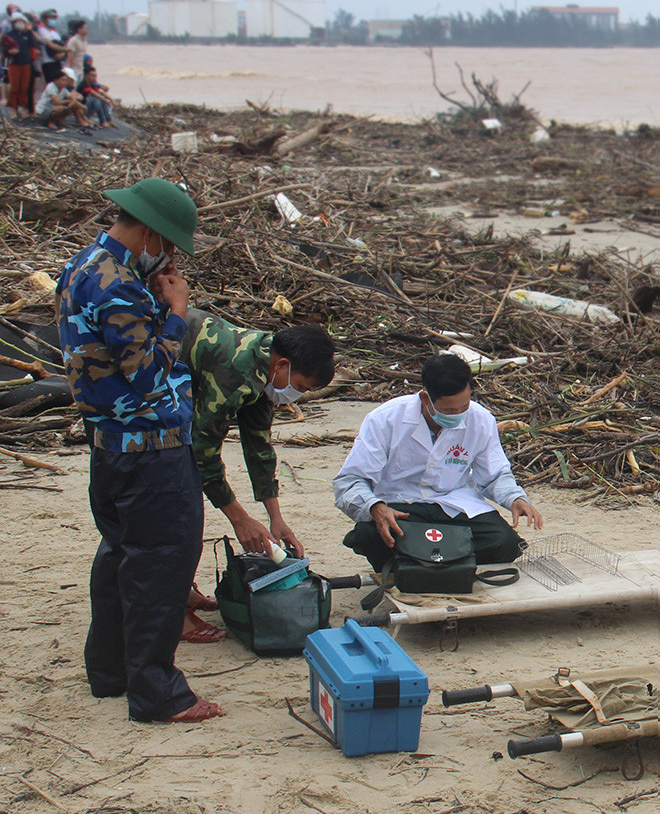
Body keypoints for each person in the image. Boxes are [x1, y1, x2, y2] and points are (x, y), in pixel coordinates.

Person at [56, 178, 221, 723]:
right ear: (149, 232)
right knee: (161, 566)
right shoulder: (119, 285)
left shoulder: (82, 266)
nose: (168, 257)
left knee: (120, 557)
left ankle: (110, 671)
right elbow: (148, 374)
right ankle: (157, 694)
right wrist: (175, 310)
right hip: (149, 448)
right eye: (167, 245)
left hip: (110, 446)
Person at [334, 353, 543, 572]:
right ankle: (432, 565)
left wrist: (515, 499)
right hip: (401, 508)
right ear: (425, 398)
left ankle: (418, 565)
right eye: (449, 411)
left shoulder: (481, 419)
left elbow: (494, 474)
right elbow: (350, 481)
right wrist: (375, 507)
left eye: (464, 407)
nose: (459, 416)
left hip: (453, 506)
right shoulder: (384, 419)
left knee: (505, 542)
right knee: (368, 535)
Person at [181, 310, 335, 559]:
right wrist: (240, 520)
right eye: (300, 387)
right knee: (179, 497)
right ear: (284, 365)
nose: (296, 396)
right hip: (140, 372)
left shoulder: (269, 363)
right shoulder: (237, 374)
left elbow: (259, 445)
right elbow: (201, 453)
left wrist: (276, 519)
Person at [1, 12, 41, 119]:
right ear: (14, 23)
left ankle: (24, 108)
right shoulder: (9, 35)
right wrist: (11, 51)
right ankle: (13, 109)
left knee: (24, 87)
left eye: (22, 21)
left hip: (26, 63)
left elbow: (34, 45)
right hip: (14, 63)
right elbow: (5, 50)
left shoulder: (27, 34)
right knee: (14, 87)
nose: (21, 23)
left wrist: (30, 31)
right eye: (19, 21)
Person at [39, 8, 67, 83]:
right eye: (51, 18)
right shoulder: (42, 31)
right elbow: (50, 45)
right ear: (44, 19)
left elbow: (61, 45)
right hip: (48, 62)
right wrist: (66, 50)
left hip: (58, 62)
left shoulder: (55, 34)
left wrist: (63, 51)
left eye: (54, 18)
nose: (53, 20)